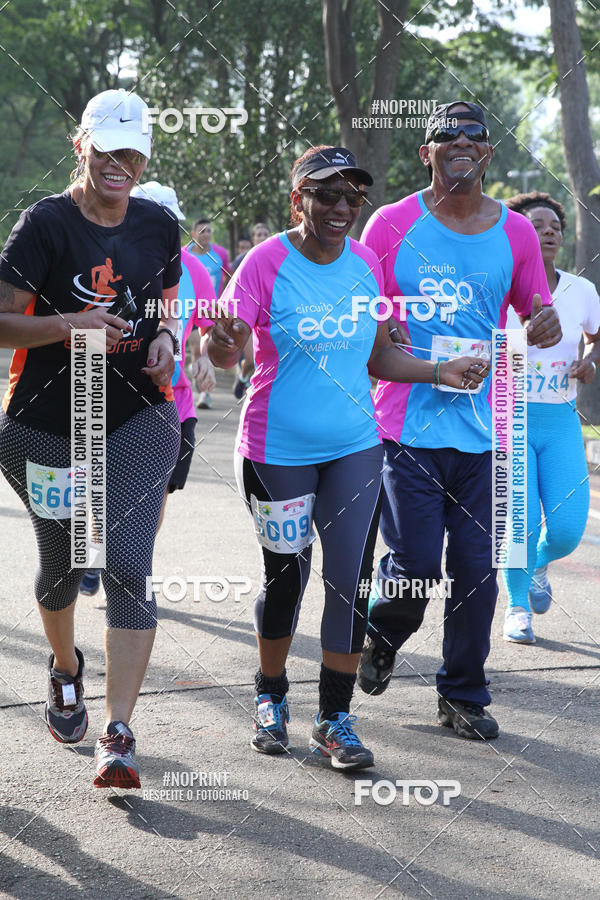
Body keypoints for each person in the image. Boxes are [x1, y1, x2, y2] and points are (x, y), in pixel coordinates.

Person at [207, 145, 489, 770]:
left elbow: (379, 358)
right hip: (274, 449)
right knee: (286, 577)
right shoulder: (264, 262)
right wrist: (219, 340)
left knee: (349, 582)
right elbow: (226, 352)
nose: (340, 206)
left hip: (355, 448)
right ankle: (271, 694)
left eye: (352, 196)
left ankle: (334, 718)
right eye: (326, 194)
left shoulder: (366, 265)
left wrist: (440, 370)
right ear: (298, 199)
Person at [357, 102, 561, 741]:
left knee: (477, 570)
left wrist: (545, 322)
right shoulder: (390, 226)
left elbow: (538, 309)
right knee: (416, 564)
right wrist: (401, 345)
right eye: (444, 135)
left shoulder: (516, 233)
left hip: (487, 433)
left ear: (488, 153)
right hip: (406, 428)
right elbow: (369, 327)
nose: (459, 143)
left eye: (473, 136)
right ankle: (385, 632)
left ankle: (463, 694)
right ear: (427, 152)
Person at [0, 89, 182, 788]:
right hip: (48, 422)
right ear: (83, 146)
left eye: (132, 149)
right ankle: (65, 667)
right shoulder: (44, 225)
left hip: (138, 415)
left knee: (130, 564)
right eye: (107, 147)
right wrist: (68, 325)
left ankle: (118, 733)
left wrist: (166, 335)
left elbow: (165, 300)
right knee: (66, 565)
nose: (120, 161)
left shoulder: (158, 223)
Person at [501, 191, 600, 643]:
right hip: (510, 416)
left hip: (561, 419)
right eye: (537, 225)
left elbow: (595, 337)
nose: (549, 232)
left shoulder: (582, 291)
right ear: (516, 233)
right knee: (515, 522)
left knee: (564, 530)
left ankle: (541, 562)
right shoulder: (497, 288)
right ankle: (517, 608)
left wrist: (591, 362)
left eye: (555, 226)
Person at [130, 181, 217, 527]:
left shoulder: (194, 269)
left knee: (158, 493)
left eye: (169, 222)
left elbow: (207, 325)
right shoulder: (114, 263)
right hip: (119, 399)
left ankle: (138, 566)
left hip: (175, 402)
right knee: (107, 491)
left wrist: (206, 356)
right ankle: (96, 560)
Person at [186, 217, 230, 410]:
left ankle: (205, 392)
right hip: (190, 307)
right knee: (196, 348)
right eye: (202, 231)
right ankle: (201, 382)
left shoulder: (220, 254)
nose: (206, 235)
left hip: (211, 309)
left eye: (208, 231)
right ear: (194, 233)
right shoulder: (184, 254)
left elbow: (229, 278)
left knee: (207, 348)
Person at [231, 223, 271, 399]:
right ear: (253, 238)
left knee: (260, 358)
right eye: (259, 234)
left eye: (265, 234)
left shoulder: (276, 258)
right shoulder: (242, 260)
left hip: (268, 317)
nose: (262, 237)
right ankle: (243, 376)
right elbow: (232, 288)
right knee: (250, 357)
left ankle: (253, 386)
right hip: (247, 314)